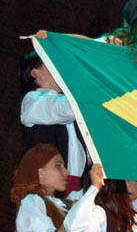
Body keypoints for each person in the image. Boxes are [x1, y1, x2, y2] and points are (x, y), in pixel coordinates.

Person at [19, 49, 89, 196]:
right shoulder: (32, 100)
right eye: (50, 63)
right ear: (34, 72)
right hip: (51, 189)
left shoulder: (63, 101)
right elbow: (67, 109)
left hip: (77, 190)